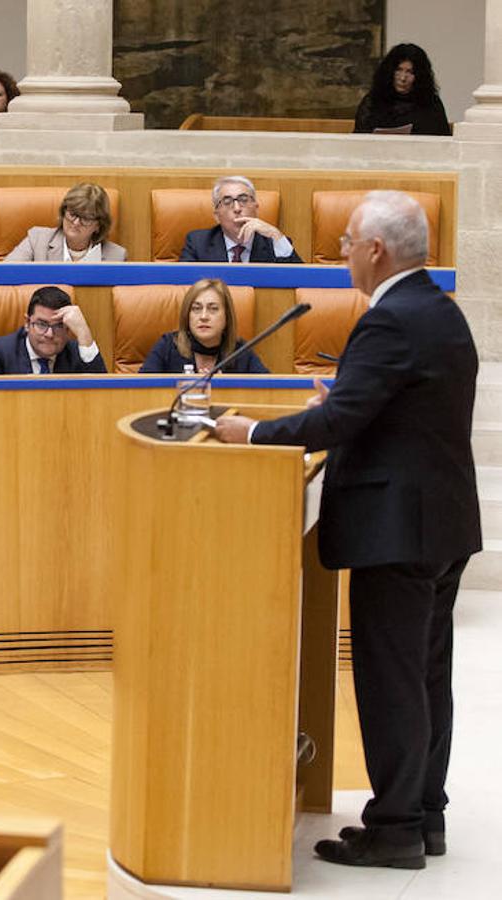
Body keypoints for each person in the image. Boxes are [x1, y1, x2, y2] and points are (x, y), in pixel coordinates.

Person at [215, 192, 480, 869]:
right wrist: (345, 402)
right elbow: (399, 409)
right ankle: (423, 815)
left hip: (397, 530)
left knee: (392, 680)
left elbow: (336, 427)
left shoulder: (389, 320)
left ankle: (393, 830)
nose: (338, 250)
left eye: (345, 240)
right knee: (424, 676)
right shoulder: (438, 310)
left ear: (375, 251)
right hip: (440, 524)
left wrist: (251, 434)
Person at [140, 279, 268, 374]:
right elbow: (142, 392)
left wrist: (226, 391)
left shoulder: (240, 352)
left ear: (227, 317)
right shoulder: (167, 346)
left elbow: (267, 393)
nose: (204, 316)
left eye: (213, 309)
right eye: (196, 309)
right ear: (187, 315)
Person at [0, 286, 106, 374]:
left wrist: (84, 332)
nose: (50, 334)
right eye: (42, 324)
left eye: (58, 326)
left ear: (68, 329)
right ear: (27, 323)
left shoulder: (78, 353)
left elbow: (103, 397)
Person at [180, 176, 302, 264]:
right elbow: (183, 285)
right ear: (216, 215)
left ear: (256, 208)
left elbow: (302, 282)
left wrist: (277, 236)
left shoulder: (274, 243)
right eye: (227, 202)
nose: (237, 208)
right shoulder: (198, 243)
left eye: (243, 200)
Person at [5, 183, 127, 262]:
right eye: (73, 214)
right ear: (63, 213)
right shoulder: (37, 239)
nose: (76, 222)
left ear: (98, 225)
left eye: (86, 218)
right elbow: (6, 274)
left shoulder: (116, 256)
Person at [354, 44, 451, 136]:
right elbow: (359, 138)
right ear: (389, 71)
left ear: (420, 76)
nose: (403, 78)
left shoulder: (431, 103)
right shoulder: (373, 101)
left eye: (410, 72)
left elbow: (443, 140)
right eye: (398, 70)